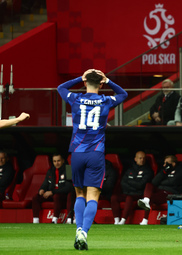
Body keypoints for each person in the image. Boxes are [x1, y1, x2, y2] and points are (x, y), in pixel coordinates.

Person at [57, 69, 128, 250]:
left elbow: (60, 87)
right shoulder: (105, 100)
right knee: (93, 195)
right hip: (96, 153)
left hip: (77, 153)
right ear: (101, 84)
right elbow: (123, 94)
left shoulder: (75, 98)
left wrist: (78, 78)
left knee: (79, 193)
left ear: (84, 82)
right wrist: (109, 80)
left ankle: (79, 229)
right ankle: (84, 232)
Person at [137, 155, 182, 225]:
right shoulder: (165, 170)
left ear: (173, 164)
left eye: (166, 163)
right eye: (164, 163)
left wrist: (161, 182)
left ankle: (145, 220)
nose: (164, 165)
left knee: (151, 197)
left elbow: (173, 182)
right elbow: (154, 182)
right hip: (160, 190)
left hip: (170, 193)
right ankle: (146, 200)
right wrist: (164, 172)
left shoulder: (181, 170)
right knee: (149, 185)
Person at [111, 151, 153, 225]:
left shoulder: (148, 170)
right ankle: (116, 220)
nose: (142, 160)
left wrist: (130, 182)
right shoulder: (129, 170)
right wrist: (133, 185)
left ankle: (123, 221)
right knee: (114, 197)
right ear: (135, 159)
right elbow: (123, 183)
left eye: (143, 158)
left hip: (138, 194)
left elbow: (141, 185)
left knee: (129, 198)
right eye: (140, 158)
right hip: (127, 192)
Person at [32, 153, 75, 224]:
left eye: (58, 161)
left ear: (63, 161)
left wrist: (53, 192)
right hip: (52, 193)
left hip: (63, 194)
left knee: (56, 196)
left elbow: (69, 187)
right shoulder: (50, 171)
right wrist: (41, 190)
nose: (56, 163)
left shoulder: (68, 169)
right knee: (35, 197)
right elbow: (45, 184)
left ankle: (55, 219)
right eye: (54, 161)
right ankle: (35, 220)